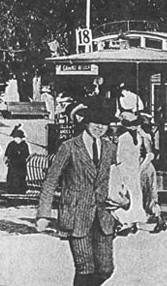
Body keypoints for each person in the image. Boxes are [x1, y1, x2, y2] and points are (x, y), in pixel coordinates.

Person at [36, 106, 118, 286]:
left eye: (104, 124)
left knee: (106, 268)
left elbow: (117, 178)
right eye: (96, 122)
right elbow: (50, 180)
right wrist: (44, 214)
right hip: (76, 215)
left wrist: (124, 200)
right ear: (86, 122)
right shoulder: (69, 146)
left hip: (103, 216)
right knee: (85, 268)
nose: (100, 127)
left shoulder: (110, 147)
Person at [112, 112, 148, 235]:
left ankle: (127, 221)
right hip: (131, 168)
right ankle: (132, 221)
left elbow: (118, 155)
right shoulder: (136, 137)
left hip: (126, 168)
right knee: (133, 194)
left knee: (127, 194)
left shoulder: (125, 137)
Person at [137, 113, 167, 233]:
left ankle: (159, 219)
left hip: (144, 167)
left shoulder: (144, 136)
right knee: (145, 194)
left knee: (148, 194)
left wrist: (140, 168)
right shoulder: (144, 135)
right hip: (143, 167)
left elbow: (150, 155)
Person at [5, 124, 30, 194]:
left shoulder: (24, 145)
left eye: (18, 138)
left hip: (21, 166)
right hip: (12, 166)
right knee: (11, 179)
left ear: (21, 138)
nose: (16, 140)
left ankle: (21, 191)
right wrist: (7, 161)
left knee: (21, 179)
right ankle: (11, 191)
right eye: (15, 138)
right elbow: (6, 155)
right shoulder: (11, 145)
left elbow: (27, 155)